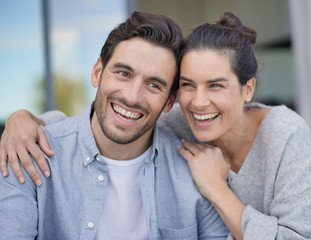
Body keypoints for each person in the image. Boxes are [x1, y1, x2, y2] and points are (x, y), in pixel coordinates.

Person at [0, 12, 311, 240]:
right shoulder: (172, 119)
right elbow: (82, 128)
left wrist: (216, 188)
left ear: (248, 89)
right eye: (188, 85)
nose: (198, 103)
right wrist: (22, 120)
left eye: (216, 85)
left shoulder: (282, 133)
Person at [0, 11, 230, 239]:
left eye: (153, 85)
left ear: (170, 100)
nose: (132, 97)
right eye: (123, 73)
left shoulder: (195, 172)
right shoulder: (27, 154)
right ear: (97, 72)